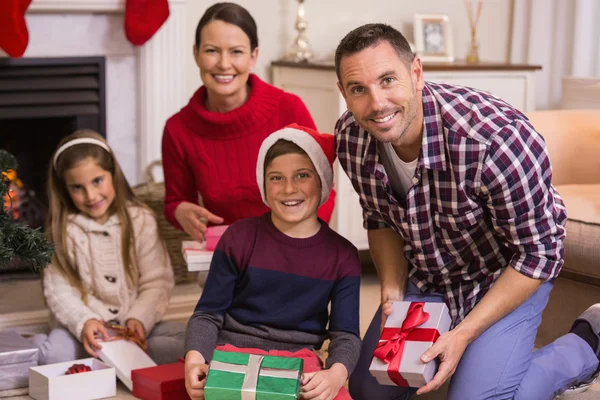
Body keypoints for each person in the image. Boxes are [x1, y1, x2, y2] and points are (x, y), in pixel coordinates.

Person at [333, 23, 600, 400]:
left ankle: (582, 343)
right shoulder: (351, 136)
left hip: (503, 271)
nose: (376, 103)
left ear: (417, 73)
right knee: (368, 391)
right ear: (344, 93)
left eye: (388, 80)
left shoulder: (495, 139)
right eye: (358, 89)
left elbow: (540, 254)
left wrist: (463, 333)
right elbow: (378, 217)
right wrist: (392, 290)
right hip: (428, 272)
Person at [183, 125, 361, 400]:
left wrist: (335, 375)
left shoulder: (343, 255)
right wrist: (194, 361)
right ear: (263, 184)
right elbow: (208, 315)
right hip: (231, 357)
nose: (289, 189)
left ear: (323, 181)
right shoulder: (239, 237)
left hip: (302, 367)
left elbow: (346, 335)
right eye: (276, 178)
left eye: (302, 176)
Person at [162, 2, 335, 243]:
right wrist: (179, 211)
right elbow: (174, 202)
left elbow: (324, 190)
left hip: (293, 246)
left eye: (236, 51)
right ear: (196, 54)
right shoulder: (178, 129)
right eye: (212, 50)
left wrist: (301, 240)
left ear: (253, 56)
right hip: (227, 253)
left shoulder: (288, 108)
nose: (224, 64)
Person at [33, 130, 185, 365]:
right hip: (85, 332)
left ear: (113, 174)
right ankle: (114, 361)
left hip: (130, 327)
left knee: (187, 342)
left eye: (97, 181)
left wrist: (139, 320)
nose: (91, 195)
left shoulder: (141, 219)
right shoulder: (61, 230)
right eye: (77, 188)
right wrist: (85, 322)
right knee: (53, 355)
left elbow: (157, 282)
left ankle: (110, 362)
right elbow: (58, 291)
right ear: (65, 189)